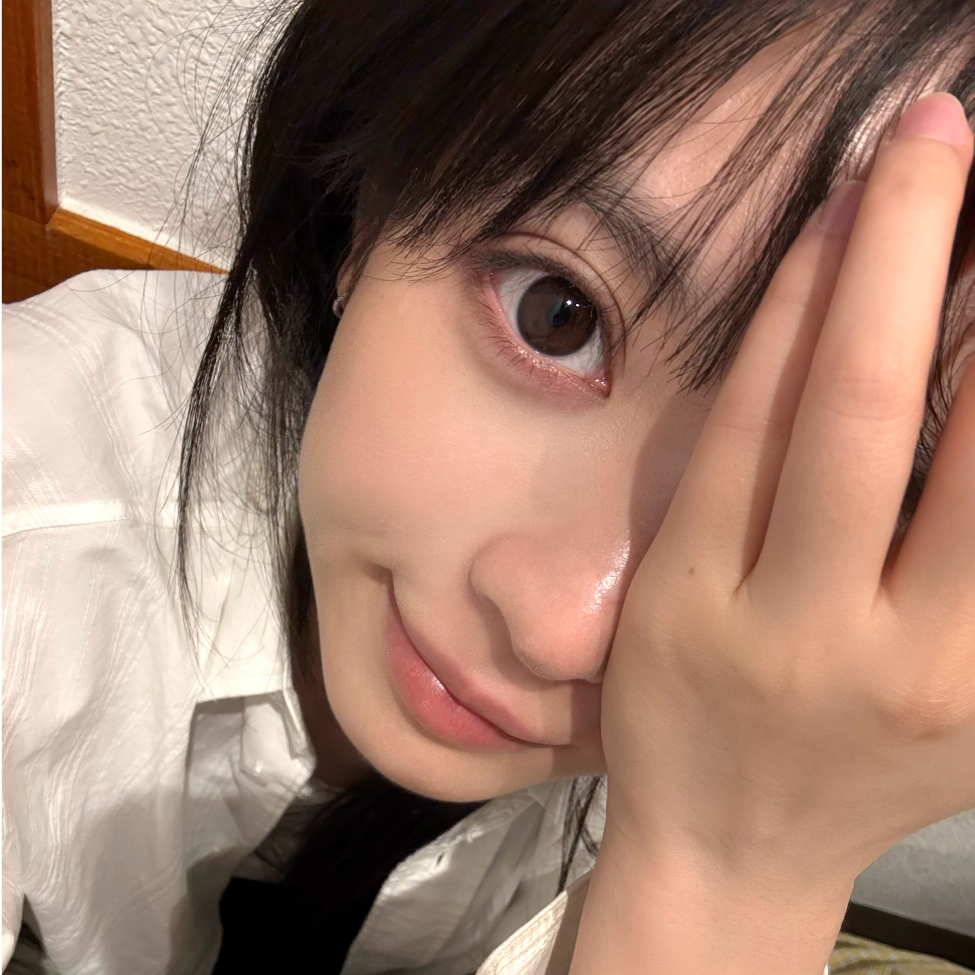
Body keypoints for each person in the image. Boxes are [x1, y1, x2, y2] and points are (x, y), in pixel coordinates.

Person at [2, 1, 973, 973]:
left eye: (837, 495)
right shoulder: (33, 513)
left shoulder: (794, 702)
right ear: (373, 194)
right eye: (559, 314)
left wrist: (734, 872)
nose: (560, 632)